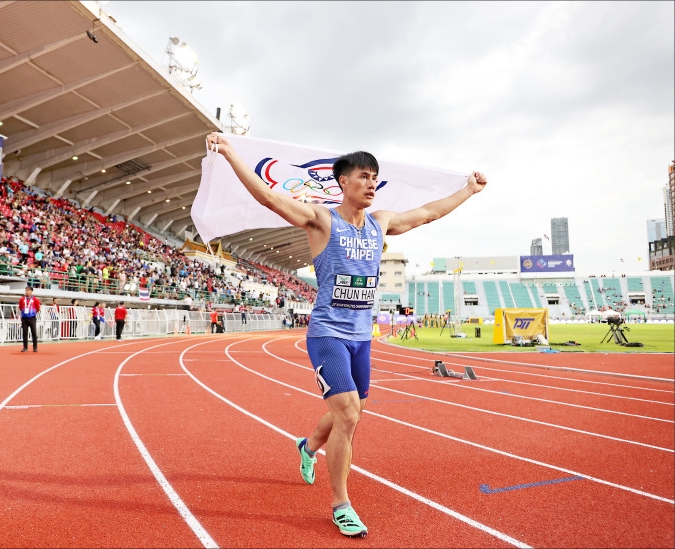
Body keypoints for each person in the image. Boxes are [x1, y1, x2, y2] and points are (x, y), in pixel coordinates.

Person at [205, 131, 486, 538]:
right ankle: (341, 504)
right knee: (349, 414)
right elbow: (270, 198)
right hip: (327, 334)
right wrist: (231, 153)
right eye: (363, 176)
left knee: (350, 415)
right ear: (343, 182)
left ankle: (308, 447)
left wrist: (468, 191)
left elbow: (427, 213)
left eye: (375, 177)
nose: (372, 183)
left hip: (361, 337)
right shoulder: (322, 220)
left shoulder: (380, 223)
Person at [19, 285, 41, 352]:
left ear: (31, 291)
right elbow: (20, 307)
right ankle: (25, 347)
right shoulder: (22, 299)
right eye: (26, 290)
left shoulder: (35, 300)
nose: (26, 292)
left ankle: (35, 347)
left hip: (32, 318)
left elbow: (38, 308)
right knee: (24, 333)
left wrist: (33, 313)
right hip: (24, 318)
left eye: (28, 290)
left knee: (34, 333)